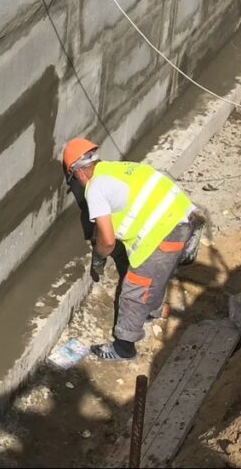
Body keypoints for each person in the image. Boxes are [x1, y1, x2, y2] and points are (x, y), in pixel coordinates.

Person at [61, 137, 204, 361]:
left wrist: (99, 256)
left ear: (77, 172)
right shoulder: (119, 169)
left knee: (134, 290)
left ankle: (124, 347)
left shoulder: (95, 188)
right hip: (183, 219)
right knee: (157, 275)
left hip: (163, 233)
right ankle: (152, 312)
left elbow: (108, 241)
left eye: (74, 179)